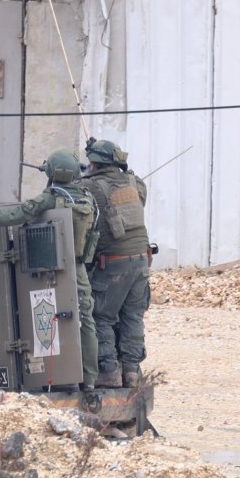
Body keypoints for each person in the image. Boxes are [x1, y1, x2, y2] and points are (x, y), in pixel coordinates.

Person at [0, 150, 100, 388]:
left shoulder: (50, 198)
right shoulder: (88, 198)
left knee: (48, 320)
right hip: (79, 269)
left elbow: (17, 214)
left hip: (51, 272)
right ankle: (90, 381)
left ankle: (58, 378)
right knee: (85, 322)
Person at [79, 139, 151, 389]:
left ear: (94, 163)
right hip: (141, 261)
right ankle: (131, 372)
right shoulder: (135, 182)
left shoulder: (89, 187)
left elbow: (79, 199)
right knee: (133, 316)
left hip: (113, 263)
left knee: (102, 316)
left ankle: (108, 371)